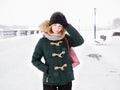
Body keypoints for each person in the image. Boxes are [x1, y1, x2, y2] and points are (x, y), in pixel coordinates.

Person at [31, 11, 84, 90]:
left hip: (66, 78)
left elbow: (80, 41)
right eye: (55, 25)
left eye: (60, 26)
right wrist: (47, 69)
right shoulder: (43, 41)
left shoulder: (65, 38)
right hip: (50, 80)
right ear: (50, 25)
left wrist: (67, 25)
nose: (57, 28)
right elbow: (35, 60)